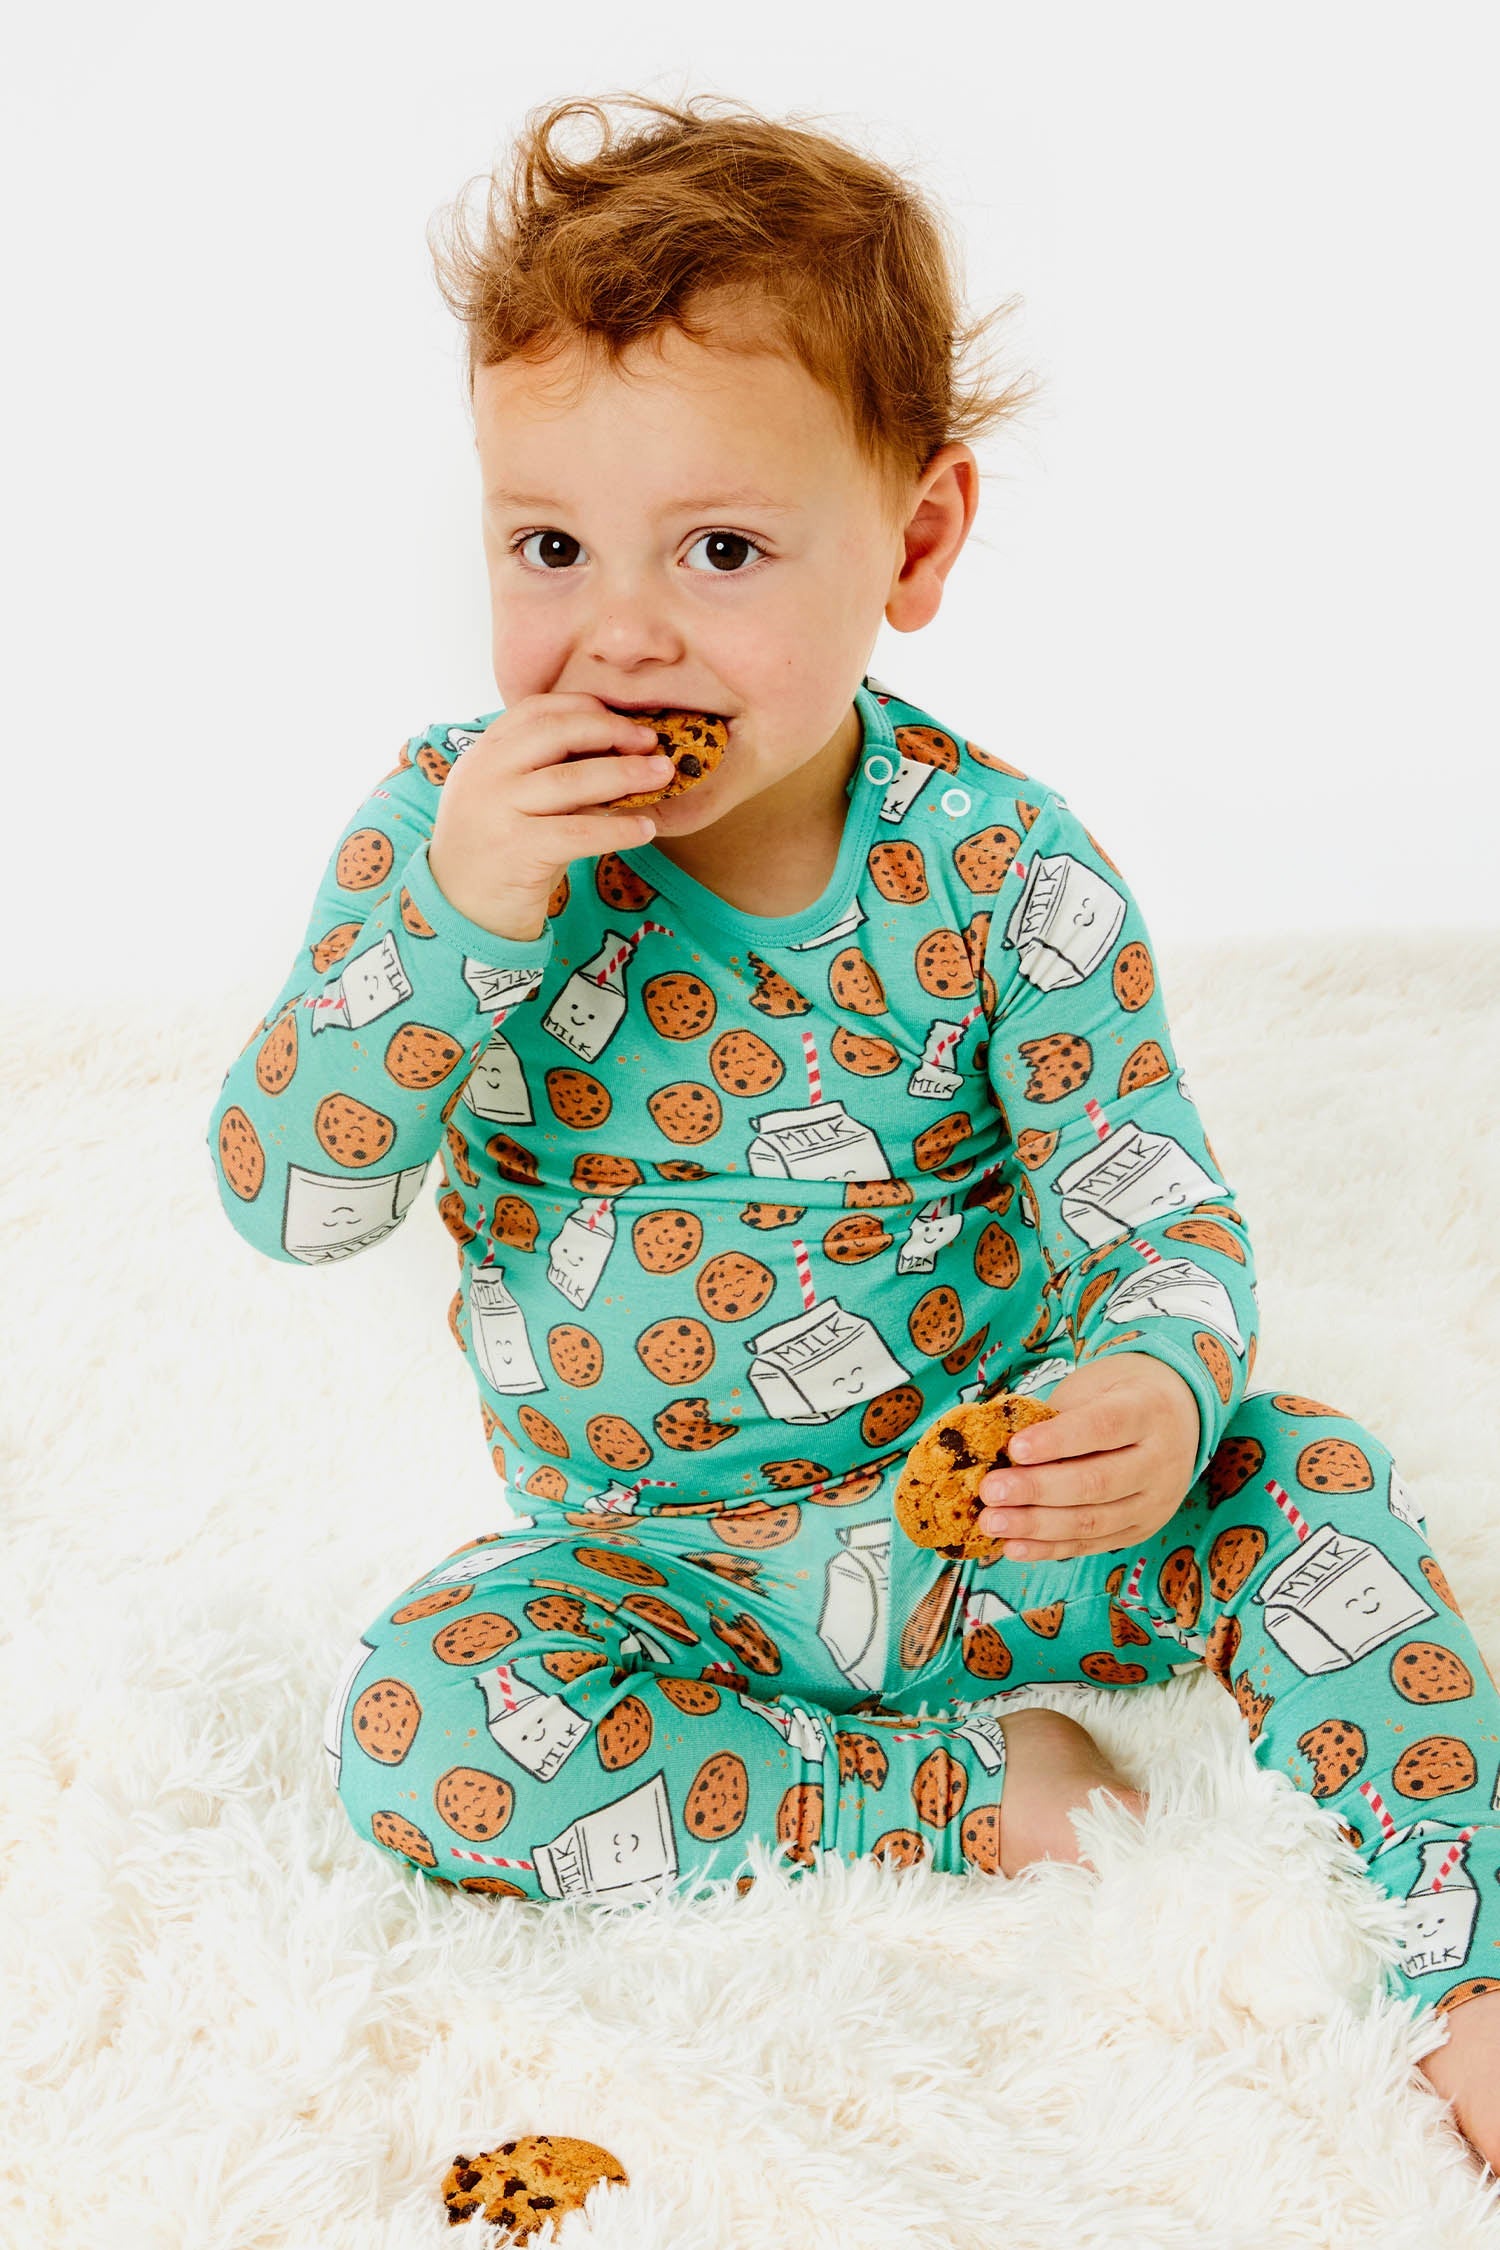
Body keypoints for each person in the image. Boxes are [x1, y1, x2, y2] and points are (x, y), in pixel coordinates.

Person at [205, 90, 1500, 2169]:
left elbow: (1150, 1205)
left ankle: (1471, 1964)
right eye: (549, 547)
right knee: (415, 1721)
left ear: (913, 545)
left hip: (995, 1524)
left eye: (720, 551)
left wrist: (1154, 1392)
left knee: (1314, 1481)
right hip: (655, 1567)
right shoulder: (447, 840)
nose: (623, 631)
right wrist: (456, 923)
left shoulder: (1001, 871)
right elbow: (291, 1198)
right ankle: (960, 1799)